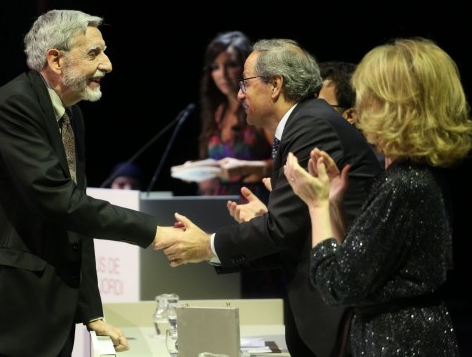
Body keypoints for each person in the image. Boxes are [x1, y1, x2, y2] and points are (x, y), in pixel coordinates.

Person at [0, 9, 177, 357]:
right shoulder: (14, 105)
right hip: (2, 314)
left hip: (42, 315)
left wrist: (91, 311)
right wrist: (155, 233)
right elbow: (60, 202)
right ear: (55, 60)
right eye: (94, 53)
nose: (107, 65)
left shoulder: (70, 112)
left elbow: (74, 218)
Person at [155, 38, 383, 356]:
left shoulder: (311, 126)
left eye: (245, 83)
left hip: (343, 314)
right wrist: (269, 220)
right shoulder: (303, 124)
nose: (239, 94)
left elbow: (286, 229)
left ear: (275, 85)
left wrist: (207, 246)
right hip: (324, 314)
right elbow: (295, 228)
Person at [283, 37, 470, 355]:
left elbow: (337, 285)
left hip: (399, 341)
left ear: (394, 106)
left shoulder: (405, 185)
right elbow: (358, 268)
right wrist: (333, 205)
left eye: (369, 96)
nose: (360, 107)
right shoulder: (410, 179)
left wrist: (316, 205)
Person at [196, 31, 274, 203]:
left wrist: (245, 168)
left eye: (230, 64)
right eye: (215, 67)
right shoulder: (218, 112)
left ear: (245, 68)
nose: (222, 74)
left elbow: (286, 162)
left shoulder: (258, 109)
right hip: (219, 204)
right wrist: (199, 170)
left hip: (255, 204)